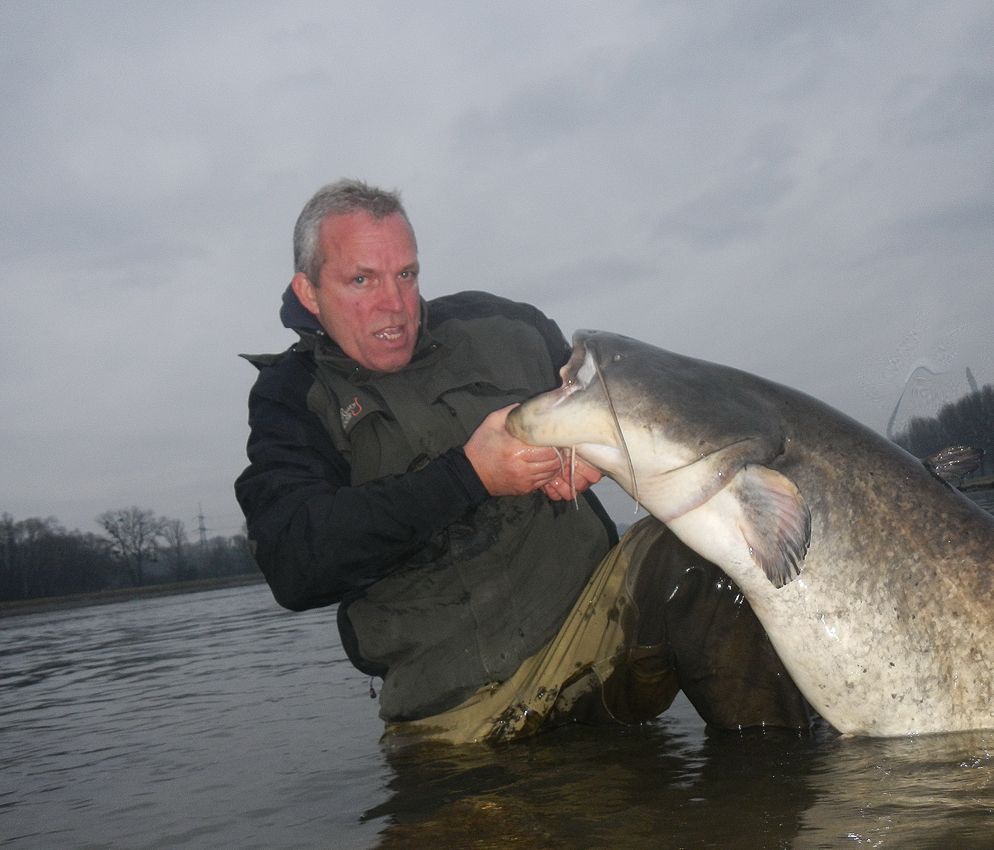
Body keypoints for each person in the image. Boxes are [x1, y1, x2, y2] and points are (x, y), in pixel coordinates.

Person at [236, 179, 809, 744]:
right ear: (309, 291)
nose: (395, 304)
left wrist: (597, 452)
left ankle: (786, 776)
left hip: (601, 640)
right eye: (361, 280)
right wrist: (471, 475)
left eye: (406, 275)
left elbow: (625, 406)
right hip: (461, 718)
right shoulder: (292, 398)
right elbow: (294, 562)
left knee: (698, 551)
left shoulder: (504, 327)